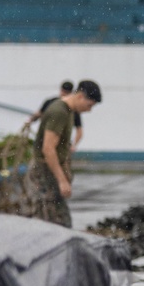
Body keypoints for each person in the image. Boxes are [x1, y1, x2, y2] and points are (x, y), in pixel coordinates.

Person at [29, 80, 102, 226]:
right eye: (89, 105)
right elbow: (48, 149)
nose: (89, 110)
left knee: (59, 218)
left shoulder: (69, 111)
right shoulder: (59, 111)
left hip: (52, 169)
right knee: (53, 221)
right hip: (44, 170)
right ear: (80, 96)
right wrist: (62, 180)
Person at [31, 80, 84, 149]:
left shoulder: (73, 109)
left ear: (71, 93)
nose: (64, 94)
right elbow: (39, 114)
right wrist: (30, 121)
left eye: (66, 92)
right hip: (45, 140)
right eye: (63, 91)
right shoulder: (50, 102)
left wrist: (74, 145)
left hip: (62, 144)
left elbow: (79, 130)